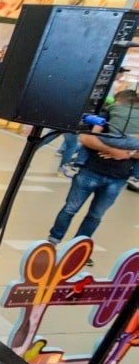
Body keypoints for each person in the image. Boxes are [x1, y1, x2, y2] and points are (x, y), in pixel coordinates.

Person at [47, 90, 139, 265]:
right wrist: (114, 150)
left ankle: (78, 250)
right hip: (90, 171)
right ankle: (53, 241)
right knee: (70, 208)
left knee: (95, 216)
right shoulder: (107, 115)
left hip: (118, 178)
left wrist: (125, 154)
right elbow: (86, 139)